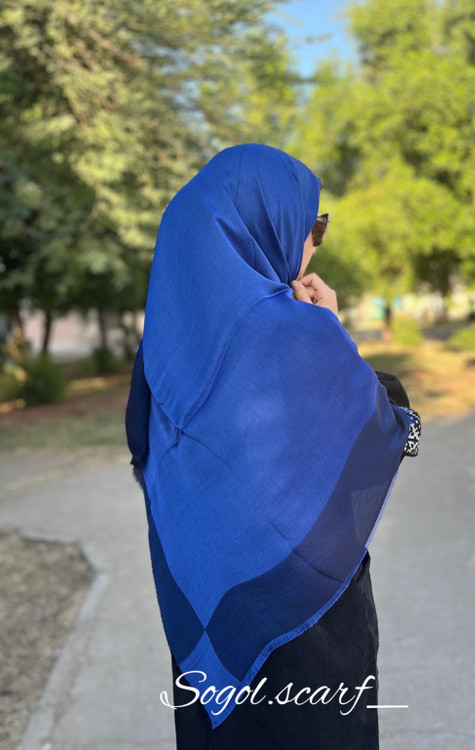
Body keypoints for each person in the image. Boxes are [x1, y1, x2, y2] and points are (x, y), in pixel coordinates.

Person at [125, 143, 421, 749]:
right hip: (309, 626)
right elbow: (399, 429)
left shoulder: (161, 349)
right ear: (269, 225)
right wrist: (332, 332)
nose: (314, 243)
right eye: (314, 226)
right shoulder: (294, 334)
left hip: (211, 619)